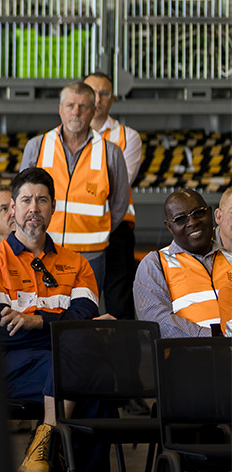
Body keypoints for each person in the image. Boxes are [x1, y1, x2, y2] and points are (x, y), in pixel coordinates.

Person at [0, 168, 114, 472]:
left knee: (88, 365)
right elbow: (1, 330)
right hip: (10, 367)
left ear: (53, 207)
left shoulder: (78, 265)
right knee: (91, 366)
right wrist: (63, 327)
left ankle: (45, 441)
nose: (34, 208)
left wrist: (38, 323)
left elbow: (84, 314)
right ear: (12, 208)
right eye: (26, 200)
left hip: (54, 364)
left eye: (41, 200)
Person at [18, 82, 130, 292]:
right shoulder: (37, 146)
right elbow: (21, 198)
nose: (76, 112)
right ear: (60, 109)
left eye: (83, 106)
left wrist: (98, 231)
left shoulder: (111, 153)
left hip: (90, 256)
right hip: (42, 249)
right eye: (70, 105)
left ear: (94, 110)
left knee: (84, 315)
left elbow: (120, 203)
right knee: (43, 311)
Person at [84, 72, 144, 319]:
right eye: (92, 92)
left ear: (113, 99)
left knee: (119, 301)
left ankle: (125, 359)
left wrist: (79, 180)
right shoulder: (62, 137)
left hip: (116, 227)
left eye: (104, 93)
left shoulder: (127, 137)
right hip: (75, 231)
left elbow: (119, 184)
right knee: (78, 301)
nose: (97, 99)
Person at [133, 189, 229, 337]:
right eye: (180, 219)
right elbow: (158, 322)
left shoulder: (228, 256)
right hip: (189, 355)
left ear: (210, 213)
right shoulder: (155, 264)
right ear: (169, 227)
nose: (192, 222)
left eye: (198, 213)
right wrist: (214, 339)